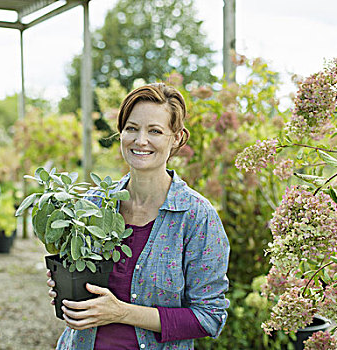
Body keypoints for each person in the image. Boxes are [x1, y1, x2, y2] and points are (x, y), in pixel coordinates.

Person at [47, 83, 230, 349]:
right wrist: (64, 288)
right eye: (132, 128)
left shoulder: (197, 218)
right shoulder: (93, 205)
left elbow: (209, 318)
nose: (140, 140)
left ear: (177, 138)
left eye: (155, 131)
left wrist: (121, 311)